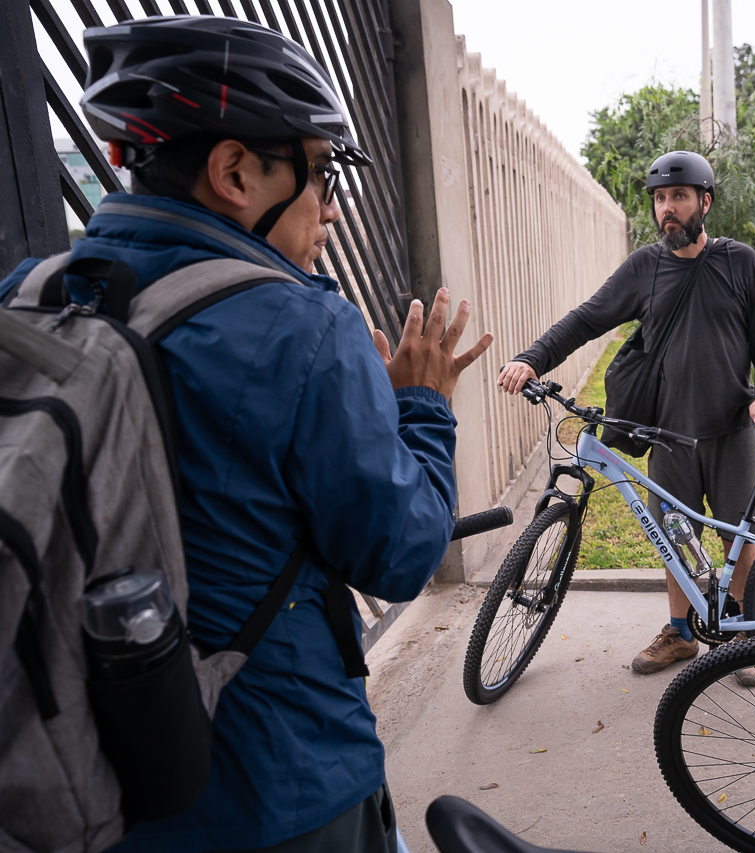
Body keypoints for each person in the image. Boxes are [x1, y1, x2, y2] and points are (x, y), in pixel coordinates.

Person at [0, 16, 491, 852]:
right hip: (280, 780)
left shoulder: (32, 294)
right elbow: (402, 554)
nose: (331, 208)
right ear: (234, 171)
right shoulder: (301, 326)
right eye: (319, 173)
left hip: (84, 769)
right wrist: (421, 405)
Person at [497, 150, 755, 678]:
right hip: (668, 432)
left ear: (705, 201)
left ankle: (744, 637)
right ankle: (680, 633)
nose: (667, 209)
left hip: (731, 429)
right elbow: (587, 319)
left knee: (738, 537)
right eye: (659, 200)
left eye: (678, 197)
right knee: (673, 534)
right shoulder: (644, 269)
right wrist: (531, 357)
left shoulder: (738, 261)